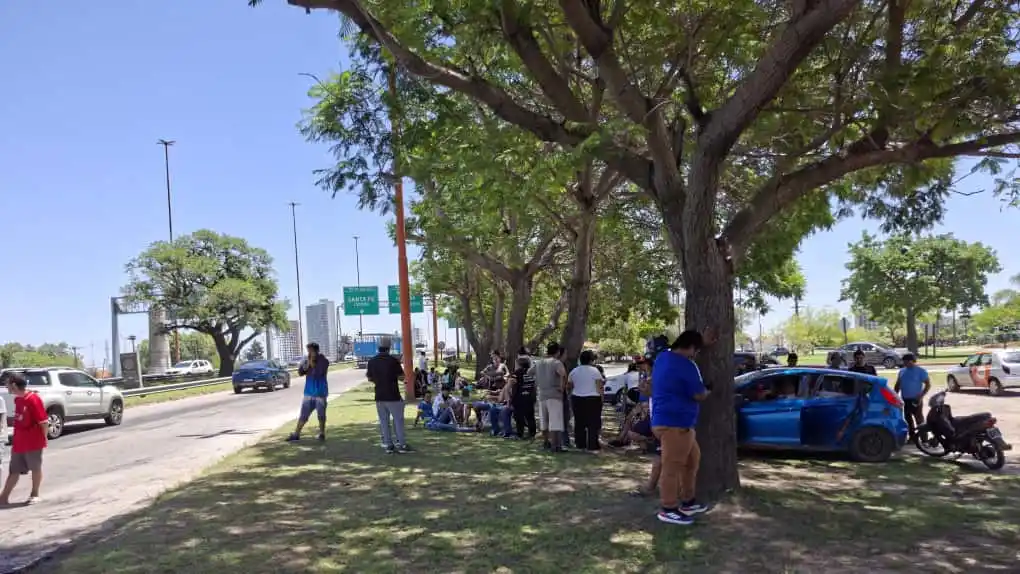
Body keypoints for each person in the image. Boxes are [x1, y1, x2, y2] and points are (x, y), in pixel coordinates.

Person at [651, 330, 714, 526]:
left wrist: (702, 342)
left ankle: (688, 501)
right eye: (696, 350)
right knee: (672, 467)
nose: (695, 355)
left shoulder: (663, 358)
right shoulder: (686, 366)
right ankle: (668, 508)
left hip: (672, 422)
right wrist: (709, 389)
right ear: (692, 348)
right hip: (674, 424)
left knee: (692, 460)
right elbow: (699, 395)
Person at [0, 372, 48, 505]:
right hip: (19, 442)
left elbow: (44, 422)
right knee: (14, 470)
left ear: (14, 385)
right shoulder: (18, 400)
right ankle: (3, 497)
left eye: (7, 384)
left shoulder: (33, 399)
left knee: (35, 467)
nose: (6, 387)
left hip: (33, 441)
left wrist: (43, 439)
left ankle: (35, 494)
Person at [367, 337, 412, 454]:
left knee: (384, 421)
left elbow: (370, 378)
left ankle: (388, 445)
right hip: (393, 396)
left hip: (379, 396)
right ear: (389, 347)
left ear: (378, 347)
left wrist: (380, 381)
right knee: (398, 421)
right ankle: (401, 444)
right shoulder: (393, 361)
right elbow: (402, 377)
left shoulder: (372, 361)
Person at [287, 342, 330, 442]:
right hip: (308, 393)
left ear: (316, 351)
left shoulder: (323, 361)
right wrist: (304, 365)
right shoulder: (307, 360)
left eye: (311, 351)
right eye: (308, 351)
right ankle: (296, 434)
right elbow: (300, 373)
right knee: (304, 415)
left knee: (321, 415)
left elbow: (319, 373)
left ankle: (322, 433)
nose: (309, 353)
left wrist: (312, 364)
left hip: (320, 393)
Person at [530, 342, 567, 452]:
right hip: (554, 394)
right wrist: (561, 387)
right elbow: (562, 374)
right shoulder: (557, 362)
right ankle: (556, 446)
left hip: (542, 395)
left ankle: (546, 443)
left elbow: (529, 372)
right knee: (555, 422)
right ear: (558, 352)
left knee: (544, 421)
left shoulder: (539, 362)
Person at [568, 350, 605, 452]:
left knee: (579, 422)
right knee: (593, 423)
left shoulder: (574, 371)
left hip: (577, 398)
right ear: (590, 360)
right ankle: (592, 445)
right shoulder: (595, 371)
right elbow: (599, 387)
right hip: (593, 398)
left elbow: (570, 386)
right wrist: (602, 398)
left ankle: (580, 444)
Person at [895, 353, 931, 438]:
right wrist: (894, 395)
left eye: (907, 361)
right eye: (904, 361)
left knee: (919, 419)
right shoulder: (902, 371)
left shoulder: (920, 371)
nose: (905, 363)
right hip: (905, 399)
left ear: (913, 361)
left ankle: (924, 438)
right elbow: (897, 385)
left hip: (916, 400)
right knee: (908, 419)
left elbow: (928, 385)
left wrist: (921, 395)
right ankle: (912, 437)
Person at [511, 354, 537, 439]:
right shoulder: (532, 372)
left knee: (519, 416)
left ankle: (520, 433)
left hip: (520, 397)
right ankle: (532, 433)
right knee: (530, 416)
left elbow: (513, 383)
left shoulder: (518, 372)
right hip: (530, 397)